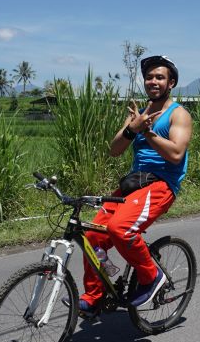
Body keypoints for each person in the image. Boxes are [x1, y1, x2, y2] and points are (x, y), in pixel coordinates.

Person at [75, 55, 193, 314]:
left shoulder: (179, 114)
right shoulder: (140, 115)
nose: (153, 81)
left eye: (159, 77)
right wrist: (132, 128)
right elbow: (115, 149)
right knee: (93, 235)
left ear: (170, 82)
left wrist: (147, 133)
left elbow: (175, 154)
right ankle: (95, 296)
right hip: (134, 185)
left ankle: (151, 277)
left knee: (121, 229)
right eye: (149, 77)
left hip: (161, 185)